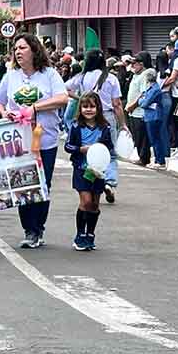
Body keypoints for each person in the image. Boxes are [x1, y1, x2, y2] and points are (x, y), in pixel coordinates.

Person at [0, 33, 69, 249]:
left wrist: (35, 108)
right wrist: (4, 113)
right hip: (19, 140)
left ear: (34, 50)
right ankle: (29, 229)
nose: (18, 52)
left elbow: (62, 98)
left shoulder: (49, 74)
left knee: (43, 183)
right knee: (23, 183)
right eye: (16, 48)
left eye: (23, 48)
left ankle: (39, 226)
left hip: (44, 139)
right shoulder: (11, 75)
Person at [64, 49, 127, 203]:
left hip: (86, 116)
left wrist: (81, 99)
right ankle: (109, 182)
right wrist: (123, 124)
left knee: (90, 151)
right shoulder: (111, 78)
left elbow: (65, 87)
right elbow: (117, 103)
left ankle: (91, 183)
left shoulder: (82, 76)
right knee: (109, 152)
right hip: (107, 117)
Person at [65, 91, 115, 251]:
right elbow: (68, 146)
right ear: (80, 109)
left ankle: (90, 234)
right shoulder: (75, 126)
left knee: (94, 204)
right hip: (81, 168)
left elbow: (109, 146)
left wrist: (100, 149)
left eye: (92, 106)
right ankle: (80, 234)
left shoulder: (104, 127)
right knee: (85, 201)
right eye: (85, 106)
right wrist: (81, 149)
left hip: (98, 170)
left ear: (98, 108)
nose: (88, 110)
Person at [124, 52, 156, 167]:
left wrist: (132, 105)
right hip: (133, 112)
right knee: (136, 136)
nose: (132, 66)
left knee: (142, 137)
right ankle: (140, 155)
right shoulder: (136, 75)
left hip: (139, 112)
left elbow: (144, 94)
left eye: (135, 63)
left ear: (142, 64)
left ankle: (144, 158)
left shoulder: (146, 75)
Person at [140, 69, 172, 169]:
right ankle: (158, 159)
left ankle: (160, 160)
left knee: (155, 139)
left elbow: (144, 103)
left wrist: (142, 100)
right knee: (154, 139)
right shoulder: (152, 88)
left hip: (154, 116)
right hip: (151, 115)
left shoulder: (154, 89)